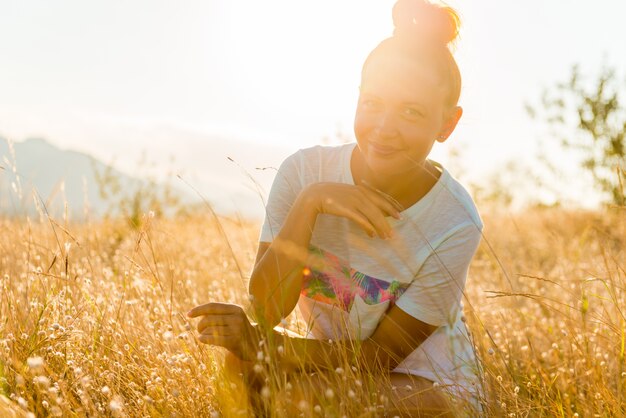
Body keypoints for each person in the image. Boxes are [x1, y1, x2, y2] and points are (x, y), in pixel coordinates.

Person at [188, 0, 484, 415]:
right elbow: (267, 309)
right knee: (241, 369)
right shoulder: (305, 172)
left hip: (430, 386)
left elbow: (380, 358)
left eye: (411, 112)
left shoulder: (453, 220)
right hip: (336, 369)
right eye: (373, 103)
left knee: (300, 400)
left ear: (446, 124)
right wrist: (312, 204)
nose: (384, 128)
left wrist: (269, 345)